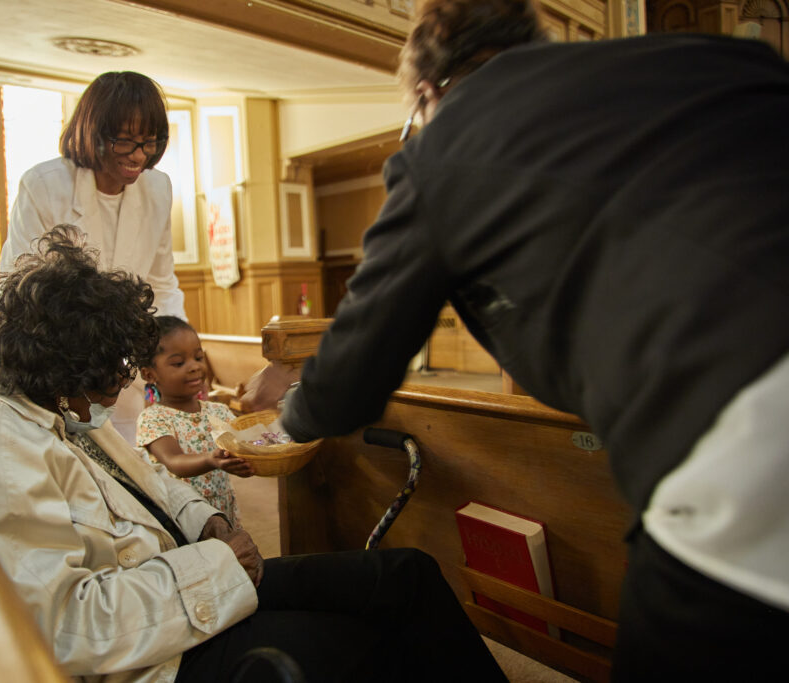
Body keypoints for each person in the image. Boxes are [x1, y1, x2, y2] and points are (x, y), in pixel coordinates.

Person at [243, 1, 789, 679]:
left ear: (427, 91)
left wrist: (289, 407)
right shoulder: (716, 59)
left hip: (742, 435)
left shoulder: (438, 153)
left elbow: (355, 370)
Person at [0, 225, 506, 683]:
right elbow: (66, 626)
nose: (121, 385)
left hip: (178, 573)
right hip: (157, 652)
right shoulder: (1, 443)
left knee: (403, 574)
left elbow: (146, 480)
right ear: (62, 356)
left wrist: (206, 520)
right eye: (114, 369)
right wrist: (216, 565)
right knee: (356, 643)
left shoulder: (47, 397)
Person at [0, 70, 184, 446]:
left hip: (127, 370)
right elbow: (22, 292)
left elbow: (162, 283)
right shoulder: (45, 185)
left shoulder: (157, 188)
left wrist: (178, 350)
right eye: (125, 142)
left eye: (149, 143)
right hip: (59, 363)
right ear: (94, 134)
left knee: (138, 467)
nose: (138, 157)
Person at [137, 316, 253, 527]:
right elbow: (174, 461)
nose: (194, 367)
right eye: (179, 363)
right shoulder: (153, 418)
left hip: (222, 506)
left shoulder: (218, 411)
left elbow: (244, 446)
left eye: (198, 358)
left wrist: (243, 462)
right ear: (150, 374)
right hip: (183, 513)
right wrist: (211, 460)